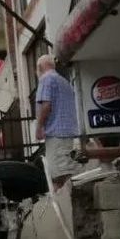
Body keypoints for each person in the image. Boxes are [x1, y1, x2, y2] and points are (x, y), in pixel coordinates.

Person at [34, 54, 80, 190]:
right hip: (70, 134)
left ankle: (67, 207)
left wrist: (39, 127)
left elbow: (46, 105)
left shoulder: (46, 79)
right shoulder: (64, 81)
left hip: (56, 134)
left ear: (39, 68)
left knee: (59, 176)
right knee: (69, 172)